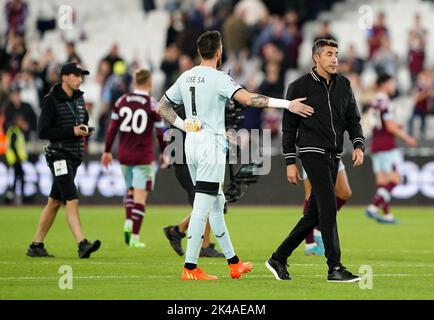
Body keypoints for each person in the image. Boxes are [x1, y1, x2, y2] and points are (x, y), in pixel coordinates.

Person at [157, 30, 314, 281]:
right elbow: (250, 100)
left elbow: (161, 106)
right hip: (211, 147)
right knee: (202, 206)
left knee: (216, 203)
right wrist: (287, 104)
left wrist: (184, 125)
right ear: (219, 52)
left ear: (200, 51)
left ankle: (233, 263)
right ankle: (190, 267)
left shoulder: (186, 77)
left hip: (192, 144)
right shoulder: (219, 78)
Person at [266, 39, 365, 283]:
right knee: (328, 208)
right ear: (316, 58)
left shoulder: (344, 84)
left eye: (336, 54)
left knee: (314, 214)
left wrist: (359, 145)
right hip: (312, 152)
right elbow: (288, 128)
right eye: (329, 54)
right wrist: (290, 161)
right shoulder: (298, 87)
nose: (334, 59)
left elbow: (353, 119)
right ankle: (335, 267)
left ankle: (278, 257)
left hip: (333, 155)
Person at [26, 62, 101, 259]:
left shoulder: (79, 99)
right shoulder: (51, 100)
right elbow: (43, 131)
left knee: (54, 202)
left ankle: (36, 245)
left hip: (74, 156)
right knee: (72, 199)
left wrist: (85, 130)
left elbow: (81, 123)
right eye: (77, 76)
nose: (80, 79)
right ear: (65, 77)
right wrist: (72, 131)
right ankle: (82, 244)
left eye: (81, 76)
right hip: (58, 156)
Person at [101, 69, 166, 248]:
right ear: (149, 83)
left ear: (135, 82)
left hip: (124, 154)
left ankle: (128, 222)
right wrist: (164, 152)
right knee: (140, 196)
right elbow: (160, 132)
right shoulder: (152, 104)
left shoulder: (121, 101)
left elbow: (112, 128)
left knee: (130, 190)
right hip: (143, 155)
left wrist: (107, 151)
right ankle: (134, 235)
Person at [163, 105, 225, 258]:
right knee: (206, 202)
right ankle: (204, 246)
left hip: (187, 161)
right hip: (188, 162)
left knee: (205, 202)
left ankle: (177, 231)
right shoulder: (191, 110)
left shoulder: (182, 109)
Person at [365, 74, 417, 224]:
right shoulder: (386, 103)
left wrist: (392, 127)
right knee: (396, 179)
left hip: (375, 144)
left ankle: (387, 215)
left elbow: (374, 124)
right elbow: (390, 126)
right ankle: (373, 207)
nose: (394, 86)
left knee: (382, 181)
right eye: (392, 83)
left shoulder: (374, 102)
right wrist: (407, 137)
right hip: (387, 145)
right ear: (385, 84)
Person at [301, 159, 352, 256]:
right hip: (313, 152)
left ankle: (318, 227)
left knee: (345, 193)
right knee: (311, 194)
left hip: (333, 153)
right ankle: (310, 243)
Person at [5, 114, 28, 204]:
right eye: (20, 121)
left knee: (16, 177)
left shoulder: (16, 131)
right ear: (17, 121)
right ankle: (21, 197)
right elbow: (13, 146)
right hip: (15, 159)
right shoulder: (15, 131)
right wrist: (18, 157)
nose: (22, 123)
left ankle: (10, 197)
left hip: (15, 159)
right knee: (20, 176)